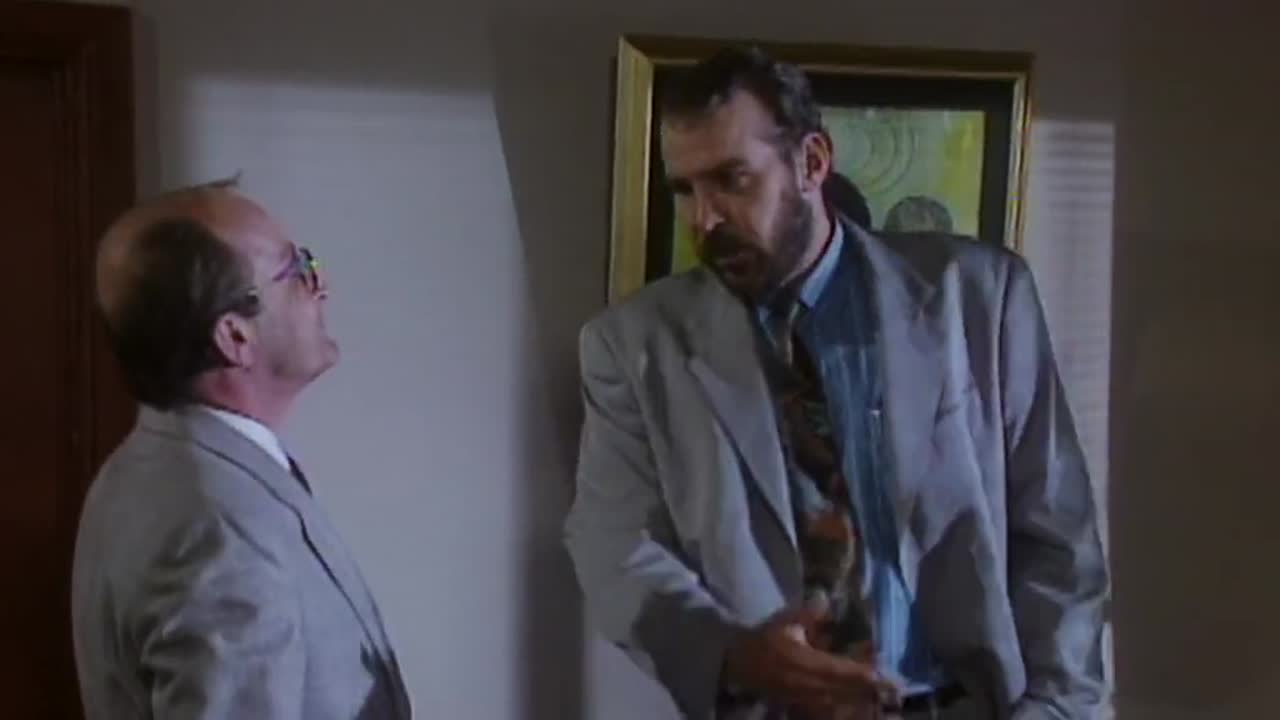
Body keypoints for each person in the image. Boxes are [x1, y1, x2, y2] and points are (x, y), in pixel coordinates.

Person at [564, 46, 1107, 719]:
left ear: (812, 163)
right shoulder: (635, 346)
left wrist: (1058, 709)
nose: (704, 219)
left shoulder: (981, 298)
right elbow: (615, 545)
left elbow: (1058, 536)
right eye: (685, 190)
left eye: (732, 180)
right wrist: (734, 655)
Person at [71, 178, 411, 718]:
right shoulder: (215, 525)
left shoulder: (156, 464)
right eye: (296, 269)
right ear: (234, 337)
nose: (321, 285)